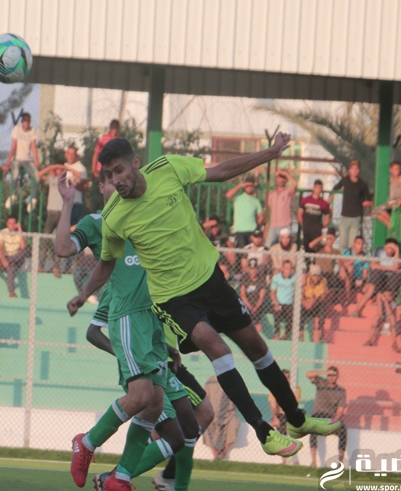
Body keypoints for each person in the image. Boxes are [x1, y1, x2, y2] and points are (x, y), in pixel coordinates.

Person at [69, 136, 341, 464]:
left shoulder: (168, 168)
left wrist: (270, 153)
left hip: (211, 280)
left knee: (257, 348)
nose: (116, 180)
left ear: (135, 163)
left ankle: (296, 420)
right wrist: (83, 294)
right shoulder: (115, 215)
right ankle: (264, 432)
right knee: (219, 350)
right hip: (173, 298)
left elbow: (221, 171)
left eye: (119, 170)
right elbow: (106, 262)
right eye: (109, 175)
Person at [56, 171, 209, 491]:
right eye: (111, 179)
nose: (118, 185)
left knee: (157, 410)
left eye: (123, 177)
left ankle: (121, 477)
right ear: (101, 187)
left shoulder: (141, 216)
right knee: (144, 399)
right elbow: (64, 249)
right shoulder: (98, 222)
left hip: (152, 325)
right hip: (128, 317)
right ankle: (87, 444)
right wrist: (67, 203)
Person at [350, 238, 401, 319]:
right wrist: (389, 268)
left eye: (393, 249)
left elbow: (396, 267)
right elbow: (373, 265)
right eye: (389, 248)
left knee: (396, 275)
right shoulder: (379, 250)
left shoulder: (396, 255)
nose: (390, 251)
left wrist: (397, 250)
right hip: (378, 280)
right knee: (376, 272)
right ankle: (357, 311)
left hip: (388, 282)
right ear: (385, 247)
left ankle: (382, 312)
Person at [306, 366, 347, 466]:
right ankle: (314, 461)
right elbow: (308, 374)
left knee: (343, 430)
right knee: (313, 427)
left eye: (333, 375)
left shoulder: (341, 391)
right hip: (318, 414)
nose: (331, 377)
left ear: (337, 376)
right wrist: (324, 372)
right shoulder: (321, 382)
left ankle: (340, 463)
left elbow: (340, 411)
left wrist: (332, 422)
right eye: (329, 375)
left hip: (330, 417)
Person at [2, 112, 40, 207]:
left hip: (27, 159)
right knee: (15, 174)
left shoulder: (32, 130)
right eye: (25, 120)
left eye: (28, 121)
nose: (26, 122)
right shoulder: (17, 129)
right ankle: (13, 195)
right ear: (22, 121)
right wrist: (8, 163)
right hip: (16, 159)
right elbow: (13, 146)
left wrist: (36, 163)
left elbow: (34, 147)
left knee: (37, 175)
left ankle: (33, 199)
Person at [333, 160, 373, 249]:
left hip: (356, 217)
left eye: (357, 168)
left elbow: (369, 199)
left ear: (359, 171)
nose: (355, 170)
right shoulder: (345, 180)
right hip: (344, 216)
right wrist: (330, 201)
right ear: (349, 170)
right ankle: (342, 258)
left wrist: (366, 203)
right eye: (353, 168)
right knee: (342, 242)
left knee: (351, 244)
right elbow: (335, 189)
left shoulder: (362, 184)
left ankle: (350, 258)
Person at [37, 162, 67, 276]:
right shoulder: (52, 179)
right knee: (45, 239)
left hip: (61, 213)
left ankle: (56, 267)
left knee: (59, 240)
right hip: (51, 213)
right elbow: (39, 174)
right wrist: (50, 167)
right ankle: (41, 265)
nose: (58, 170)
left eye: (60, 169)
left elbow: (78, 175)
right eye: (57, 169)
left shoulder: (66, 181)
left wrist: (65, 167)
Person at [203, 375, 240, 461]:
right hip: (213, 413)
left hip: (228, 414)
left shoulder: (232, 380)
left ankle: (224, 452)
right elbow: (205, 396)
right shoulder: (211, 380)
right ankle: (215, 454)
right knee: (208, 427)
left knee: (234, 424)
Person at [268, 369, 301, 464]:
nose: (286, 379)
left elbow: (294, 404)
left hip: (291, 413)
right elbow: (273, 406)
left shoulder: (296, 388)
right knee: (282, 430)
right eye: (284, 377)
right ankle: (286, 459)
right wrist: (275, 418)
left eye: (288, 377)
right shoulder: (275, 387)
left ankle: (289, 458)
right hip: (280, 414)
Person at [226, 176, 264, 248]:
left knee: (251, 251)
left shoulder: (256, 201)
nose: (249, 187)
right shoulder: (238, 198)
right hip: (240, 230)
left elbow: (261, 216)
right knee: (243, 252)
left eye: (251, 186)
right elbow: (228, 195)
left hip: (252, 230)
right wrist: (240, 185)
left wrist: (256, 226)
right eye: (247, 185)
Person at [0, 215, 27, 298]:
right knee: (11, 266)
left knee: (23, 252)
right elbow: (0, 248)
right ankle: (11, 292)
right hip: (3, 258)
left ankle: (11, 291)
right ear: (7, 224)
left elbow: (23, 247)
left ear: (17, 224)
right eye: (10, 223)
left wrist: (20, 229)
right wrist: (4, 260)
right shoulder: (2, 232)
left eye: (14, 223)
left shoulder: (20, 233)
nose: (12, 225)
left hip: (16, 259)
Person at [297, 179, 331, 252]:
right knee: (307, 249)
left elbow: (327, 219)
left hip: (316, 231)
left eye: (320, 188)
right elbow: (299, 214)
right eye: (316, 187)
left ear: (321, 189)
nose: (318, 189)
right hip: (306, 229)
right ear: (313, 188)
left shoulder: (324, 203)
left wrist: (320, 226)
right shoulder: (305, 200)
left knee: (315, 250)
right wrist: (303, 224)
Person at [265, 170, 297, 246]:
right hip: (273, 225)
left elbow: (295, 184)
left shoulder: (288, 191)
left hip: (285, 225)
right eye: (280, 177)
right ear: (276, 179)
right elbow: (270, 210)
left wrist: (285, 173)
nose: (282, 180)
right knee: (268, 247)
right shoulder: (272, 193)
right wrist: (267, 226)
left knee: (285, 248)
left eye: (284, 178)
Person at [373, 160, 401, 228]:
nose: (397, 170)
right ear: (391, 170)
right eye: (395, 169)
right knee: (374, 213)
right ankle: (390, 224)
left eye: (398, 169)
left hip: (397, 200)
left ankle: (392, 223)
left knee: (379, 210)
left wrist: (398, 204)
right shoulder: (391, 179)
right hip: (391, 201)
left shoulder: (400, 178)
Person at [301, 264, 330, 342]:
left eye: (318, 276)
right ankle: (300, 333)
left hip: (316, 304)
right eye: (314, 276)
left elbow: (322, 296)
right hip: (306, 304)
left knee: (322, 306)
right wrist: (305, 303)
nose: (316, 278)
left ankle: (320, 333)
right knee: (299, 307)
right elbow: (299, 295)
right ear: (311, 275)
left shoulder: (323, 281)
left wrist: (314, 302)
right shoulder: (305, 281)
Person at [339, 235, 370, 304]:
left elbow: (365, 273)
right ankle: (347, 298)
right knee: (350, 268)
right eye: (358, 243)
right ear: (354, 244)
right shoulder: (347, 252)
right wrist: (356, 258)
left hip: (358, 280)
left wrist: (362, 280)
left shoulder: (365, 256)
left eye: (362, 244)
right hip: (346, 277)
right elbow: (343, 264)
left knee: (371, 286)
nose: (360, 246)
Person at [270, 260, 296, 340]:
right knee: (277, 312)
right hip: (278, 303)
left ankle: (285, 334)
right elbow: (272, 293)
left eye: (290, 268)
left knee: (292, 314)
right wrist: (276, 304)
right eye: (286, 268)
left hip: (289, 304)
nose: (288, 270)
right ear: (282, 268)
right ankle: (276, 334)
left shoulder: (295, 278)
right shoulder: (276, 278)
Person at [239, 259, 267, 328]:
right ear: (248, 269)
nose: (253, 271)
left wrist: (255, 307)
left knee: (258, 326)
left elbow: (261, 297)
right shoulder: (245, 278)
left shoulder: (262, 279)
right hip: (246, 305)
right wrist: (250, 307)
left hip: (257, 306)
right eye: (251, 269)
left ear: (257, 269)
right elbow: (242, 295)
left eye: (255, 269)